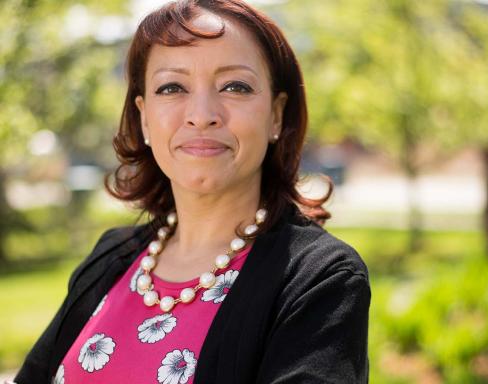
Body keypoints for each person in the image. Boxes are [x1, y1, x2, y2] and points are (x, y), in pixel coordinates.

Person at [13, 0, 371, 383]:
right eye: (172, 87)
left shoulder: (321, 279)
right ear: (144, 117)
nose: (201, 114)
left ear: (277, 116)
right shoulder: (109, 259)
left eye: (235, 86)